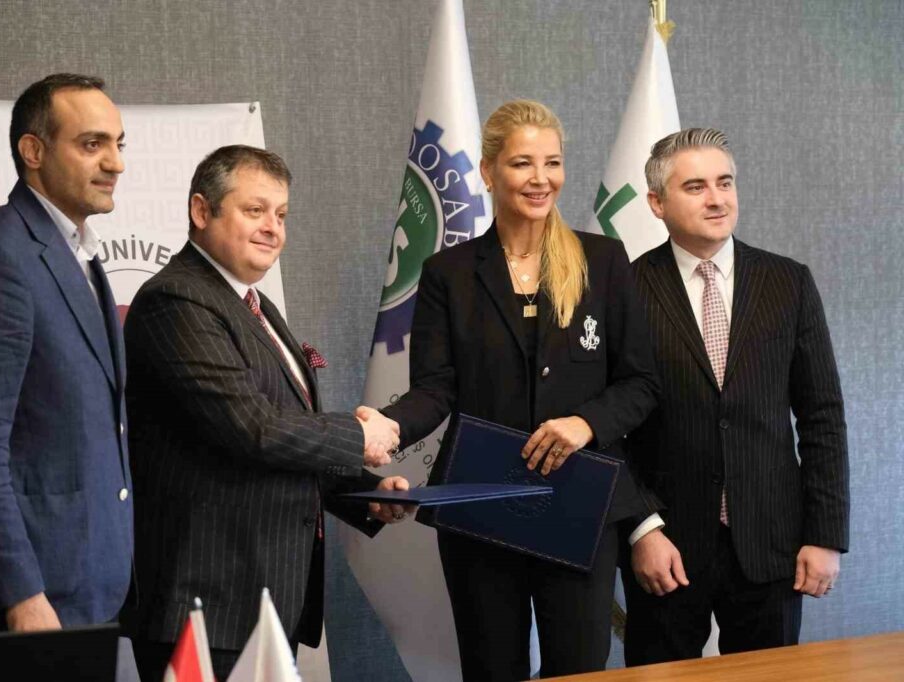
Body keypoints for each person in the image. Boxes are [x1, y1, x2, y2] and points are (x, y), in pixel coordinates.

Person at [370, 99, 660, 680]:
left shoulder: (603, 260)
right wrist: (389, 424)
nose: (540, 178)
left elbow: (641, 381)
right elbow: (435, 389)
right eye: (522, 163)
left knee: (579, 669)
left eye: (552, 163)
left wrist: (586, 423)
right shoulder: (448, 272)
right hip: (481, 505)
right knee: (490, 668)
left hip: (579, 506)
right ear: (487, 171)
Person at [122, 144, 408, 681]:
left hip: (265, 600)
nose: (273, 228)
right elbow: (252, 428)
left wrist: (364, 493)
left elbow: (277, 445)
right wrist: (358, 436)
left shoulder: (254, 304)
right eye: (255, 210)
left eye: (281, 214)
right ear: (201, 210)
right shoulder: (176, 301)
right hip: (206, 608)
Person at [622, 128, 849, 664]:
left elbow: (822, 415)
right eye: (695, 186)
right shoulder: (624, 290)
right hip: (667, 545)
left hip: (772, 545)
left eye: (725, 182)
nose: (717, 199)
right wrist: (640, 528)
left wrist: (825, 535)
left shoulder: (788, 282)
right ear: (656, 203)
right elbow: (609, 428)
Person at [0, 73, 133, 632]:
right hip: (35, 600)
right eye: (92, 144)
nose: (116, 163)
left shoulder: (79, 253)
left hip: (94, 585)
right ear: (34, 151)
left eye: (119, 144)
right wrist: (20, 592)